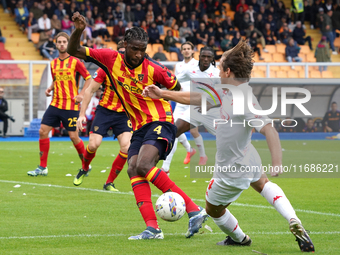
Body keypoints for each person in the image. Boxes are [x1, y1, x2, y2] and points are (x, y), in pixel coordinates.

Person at [142, 40, 315, 253]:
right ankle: (293, 219)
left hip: (231, 169)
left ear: (228, 71)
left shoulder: (244, 98)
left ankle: (240, 239)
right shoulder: (224, 89)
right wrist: (163, 94)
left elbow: (269, 129)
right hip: (247, 155)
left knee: (212, 209)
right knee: (262, 183)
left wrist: (277, 162)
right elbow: (197, 97)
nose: (217, 70)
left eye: (220, 66)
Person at [68, 12, 208, 240]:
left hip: (160, 121)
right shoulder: (109, 58)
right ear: (124, 45)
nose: (139, 54)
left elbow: (177, 86)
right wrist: (79, 30)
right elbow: (75, 50)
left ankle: (194, 210)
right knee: (133, 168)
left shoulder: (155, 69)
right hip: (139, 127)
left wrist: (161, 92)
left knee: (143, 164)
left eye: (143, 49)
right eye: (134, 48)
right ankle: (153, 228)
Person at [27, 32, 92, 177]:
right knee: (43, 131)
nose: (62, 44)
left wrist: (81, 95)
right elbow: (57, 78)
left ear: (68, 44)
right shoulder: (53, 63)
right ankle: (42, 167)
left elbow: (88, 78)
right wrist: (50, 87)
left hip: (70, 105)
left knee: (74, 137)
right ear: (56, 44)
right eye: (59, 42)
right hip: (55, 103)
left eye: (64, 42)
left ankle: (86, 165)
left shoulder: (75, 61)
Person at [74, 67, 133, 190]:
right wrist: (81, 114)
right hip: (104, 111)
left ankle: (109, 183)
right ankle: (84, 168)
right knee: (94, 145)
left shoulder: (136, 70)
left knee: (127, 147)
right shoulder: (106, 68)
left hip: (124, 114)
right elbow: (90, 90)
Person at [161, 42, 204, 174]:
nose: (186, 51)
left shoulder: (198, 64)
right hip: (180, 102)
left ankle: (202, 155)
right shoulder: (178, 66)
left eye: (188, 49)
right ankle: (168, 165)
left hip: (193, 101)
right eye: (184, 49)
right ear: (181, 51)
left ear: (192, 51)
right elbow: (174, 82)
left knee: (193, 131)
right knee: (173, 130)